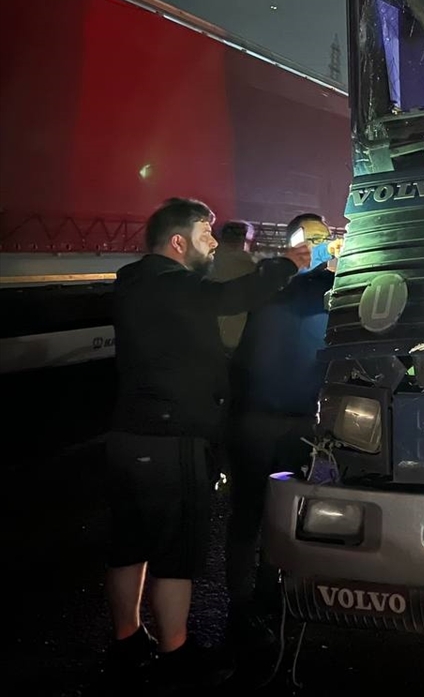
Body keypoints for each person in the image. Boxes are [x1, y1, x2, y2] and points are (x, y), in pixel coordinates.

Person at [102, 198, 310, 690]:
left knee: (128, 547)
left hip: (128, 436)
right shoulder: (173, 286)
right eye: (204, 234)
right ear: (178, 242)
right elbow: (233, 297)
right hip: (171, 439)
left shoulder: (133, 282)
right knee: (176, 554)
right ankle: (177, 655)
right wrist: (290, 263)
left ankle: (127, 643)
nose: (213, 243)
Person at [224, 213, 341, 651]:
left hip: (296, 422)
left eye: (322, 238)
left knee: (281, 516)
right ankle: (242, 605)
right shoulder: (276, 283)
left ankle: (269, 594)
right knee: (250, 514)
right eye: (309, 238)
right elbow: (302, 290)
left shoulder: (317, 288)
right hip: (259, 419)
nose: (317, 245)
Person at [211, 220, 258, 354]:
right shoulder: (252, 269)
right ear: (246, 241)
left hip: (203, 341)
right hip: (235, 343)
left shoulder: (205, 262)